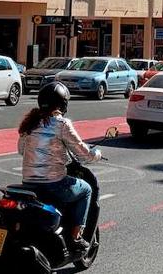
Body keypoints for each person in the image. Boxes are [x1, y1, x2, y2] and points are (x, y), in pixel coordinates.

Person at [18, 82, 102, 254]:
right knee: (86, 189)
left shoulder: (30, 123)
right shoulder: (61, 124)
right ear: (63, 103)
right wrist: (97, 154)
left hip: (28, 184)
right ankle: (76, 237)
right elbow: (83, 153)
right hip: (53, 184)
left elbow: (21, 150)